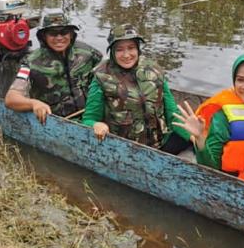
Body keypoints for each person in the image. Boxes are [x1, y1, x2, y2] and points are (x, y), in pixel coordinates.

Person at [172, 53, 244, 190]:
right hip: (240, 186)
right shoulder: (222, 117)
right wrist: (200, 139)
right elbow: (210, 169)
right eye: (240, 80)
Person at [82, 24, 191, 153]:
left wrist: (192, 136)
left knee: (193, 140)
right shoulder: (101, 77)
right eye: (119, 49)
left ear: (138, 49)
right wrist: (96, 125)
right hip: (125, 149)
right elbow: (88, 120)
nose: (127, 55)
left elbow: (172, 114)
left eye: (131, 48)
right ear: (112, 52)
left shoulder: (154, 69)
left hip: (159, 144)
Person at [4, 12, 101, 124]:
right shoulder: (31, 62)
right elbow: (11, 99)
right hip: (57, 123)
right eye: (53, 33)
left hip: (91, 118)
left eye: (64, 32)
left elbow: (108, 71)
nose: (59, 38)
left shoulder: (88, 52)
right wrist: (34, 103)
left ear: (71, 34)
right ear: (44, 36)